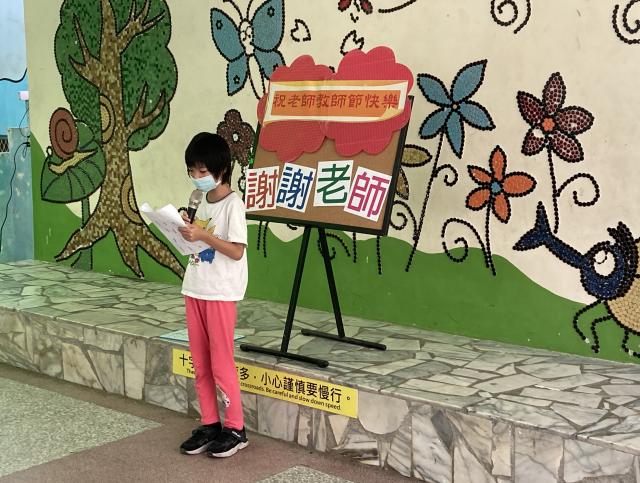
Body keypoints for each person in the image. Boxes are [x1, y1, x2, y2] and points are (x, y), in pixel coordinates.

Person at [177, 132, 248, 458]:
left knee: (221, 363)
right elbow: (194, 244)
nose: (196, 177)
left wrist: (203, 235)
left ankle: (236, 428)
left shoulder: (234, 204)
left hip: (220, 292)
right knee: (201, 363)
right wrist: (183, 230)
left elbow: (236, 251)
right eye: (192, 171)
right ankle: (210, 423)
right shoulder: (199, 199)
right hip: (195, 286)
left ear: (222, 169)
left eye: (202, 171)